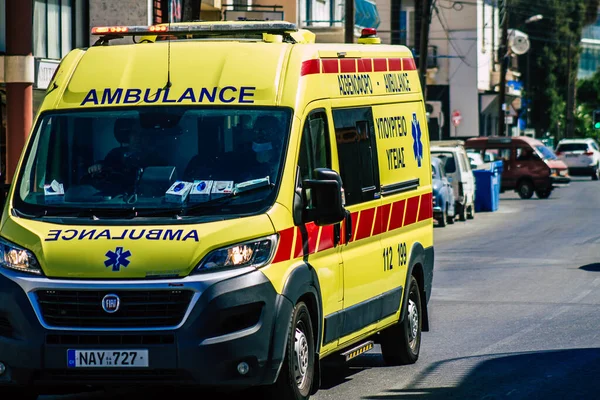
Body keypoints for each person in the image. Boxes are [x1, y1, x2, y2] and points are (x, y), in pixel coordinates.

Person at [86, 117, 164, 195]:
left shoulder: (155, 158)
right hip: (117, 201)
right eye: (134, 133)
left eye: (142, 134)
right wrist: (98, 166)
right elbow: (105, 168)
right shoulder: (116, 153)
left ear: (147, 137)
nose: (138, 138)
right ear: (128, 136)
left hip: (146, 202)